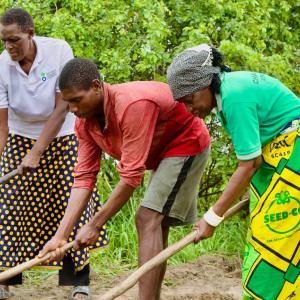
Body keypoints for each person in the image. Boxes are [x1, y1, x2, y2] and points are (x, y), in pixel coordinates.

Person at [39, 58, 211, 299]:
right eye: (68, 103)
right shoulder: (85, 124)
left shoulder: (132, 105)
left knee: (147, 217)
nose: (73, 109)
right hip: (160, 154)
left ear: (97, 86)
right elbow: (84, 178)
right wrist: (60, 236)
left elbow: (131, 177)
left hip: (185, 142)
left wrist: (95, 225)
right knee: (154, 222)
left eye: (77, 100)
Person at [166, 44, 300, 300]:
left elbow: (249, 164)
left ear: (206, 84)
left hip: (293, 157)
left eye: (190, 99)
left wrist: (212, 218)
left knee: (273, 240)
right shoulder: (230, 92)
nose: (189, 110)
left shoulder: (234, 97)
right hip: (280, 157)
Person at [0, 8, 107, 300]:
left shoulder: (58, 50)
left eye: (15, 40)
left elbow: (63, 108)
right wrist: (3, 158)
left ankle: (78, 282)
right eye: (4, 41)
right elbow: (2, 125)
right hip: (20, 139)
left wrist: (38, 151)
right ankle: (6, 279)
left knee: (71, 203)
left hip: (64, 137)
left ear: (30, 33)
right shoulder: (2, 65)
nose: (9, 47)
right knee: (10, 207)